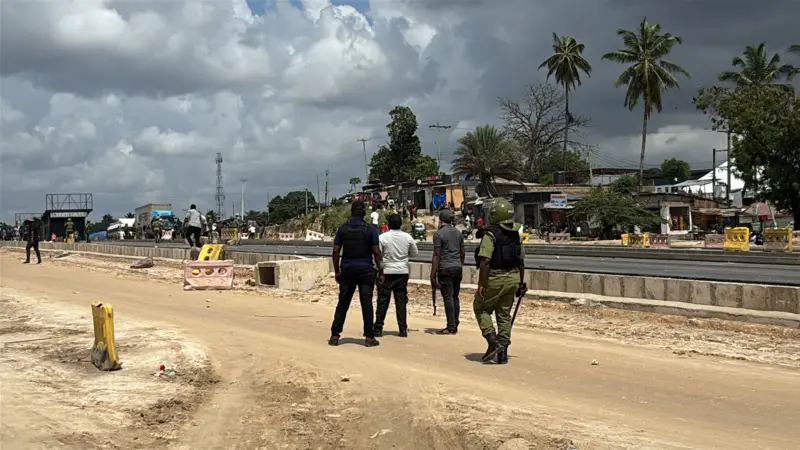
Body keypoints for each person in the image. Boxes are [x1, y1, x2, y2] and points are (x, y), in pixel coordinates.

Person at [474, 198, 526, 365]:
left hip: (495, 278)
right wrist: (520, 283)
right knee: (504, 315)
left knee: (481, 308)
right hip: (513, 278)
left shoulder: (490, 235)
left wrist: (482, 284)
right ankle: (503, 352)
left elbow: (485, 261)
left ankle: (493, 342)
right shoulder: (516, 236)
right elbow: (521, 261)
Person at [329, 201, 383, 347]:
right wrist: (381, 271)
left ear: (351, 212)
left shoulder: (343, 229)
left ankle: (335, 335)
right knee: (366, 303)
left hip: (347, 269)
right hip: (365, 270)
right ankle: (369, 337)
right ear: (364, 212)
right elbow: (376, 253)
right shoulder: (370, 229)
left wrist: (337, 271)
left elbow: (335, 252)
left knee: (343, 302)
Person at [374, 214, 418, 338]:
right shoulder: (407, 237)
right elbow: (415, 253)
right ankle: (403, 329)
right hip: (402, 272)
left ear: (388, 225)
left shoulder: (383, 237)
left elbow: (377, 254)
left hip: (387, 271)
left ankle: (378, 328)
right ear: (400, 224)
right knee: (401, 301)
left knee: (383, 301)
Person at [431, 210, 465, 335]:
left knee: (448, 297)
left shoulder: (438, 235)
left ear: (440, 221)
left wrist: (432, 274)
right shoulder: (458, 233)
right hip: (457, 268)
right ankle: (455, 322)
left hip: (445, 268)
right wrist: (459, 264)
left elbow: (437, 255)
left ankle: (450, 326)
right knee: (455, 297)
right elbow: (463, 252)